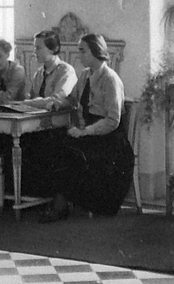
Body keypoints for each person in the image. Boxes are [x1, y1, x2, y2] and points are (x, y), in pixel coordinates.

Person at [38, 33, 135, 222]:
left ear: (96, 51)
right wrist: (58, 103)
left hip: (110, 140)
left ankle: (61, 205)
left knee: (71, 153)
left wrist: (85, 132)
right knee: (54, 146)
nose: (79, 55)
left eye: (82, 51)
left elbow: (113, 120)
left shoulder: (110, 79)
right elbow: (73, 99)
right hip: (89, 134)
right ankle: (59, 201)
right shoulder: (84, 75)